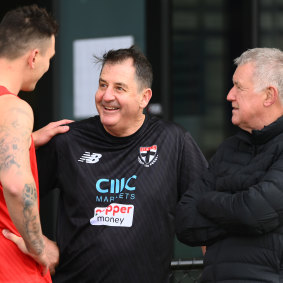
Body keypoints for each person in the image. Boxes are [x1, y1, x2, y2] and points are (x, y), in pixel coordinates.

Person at [15, 45, 207, 283]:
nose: (106, 96)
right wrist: (38, 243)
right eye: (103, 85)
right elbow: (10, 191)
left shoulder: (173, 141)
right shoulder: (68, 140)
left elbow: (206, 213)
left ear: (144, 98)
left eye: (119, 88)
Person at [176, 47, 283, 282]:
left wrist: (208, 202)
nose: (229, 95)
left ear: (269, 96)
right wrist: (243, 218)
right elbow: (185, 221)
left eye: (239, 87)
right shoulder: (228, 149)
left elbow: (255, 212)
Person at [0, 4, 72, 283]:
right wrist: (38, 247)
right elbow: (16, 184)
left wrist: (26, 141)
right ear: (34, 57)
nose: (47, 67)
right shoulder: (14, 110)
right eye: (49, 59)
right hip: (11, 265)